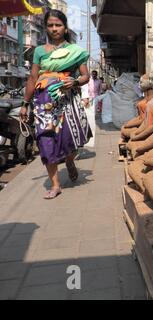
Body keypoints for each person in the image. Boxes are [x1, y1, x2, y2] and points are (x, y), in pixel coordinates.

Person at [20, 9, 92, 199]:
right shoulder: (39, 51)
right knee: (45, 140)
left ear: (65, 28)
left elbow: (86, 76)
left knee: (69, 139)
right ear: (46, 28)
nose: (54, 29)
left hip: (66, 101)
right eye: (50, 25)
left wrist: (75, 81)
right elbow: (33, 78)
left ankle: (69, 161)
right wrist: (24, 104)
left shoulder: (74, 51)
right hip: (43, 102)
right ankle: (55, 184)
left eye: (58, 25)